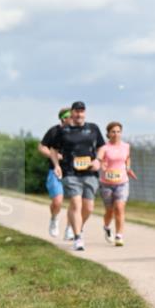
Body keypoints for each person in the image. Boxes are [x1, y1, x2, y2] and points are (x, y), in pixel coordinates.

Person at [43, 101, 105, 251]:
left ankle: (77, 227)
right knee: (76, 203)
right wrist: (57, 165)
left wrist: (98, 160)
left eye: (82, 111)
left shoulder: (93, 129)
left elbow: (102, 146)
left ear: (85, 113)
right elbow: (52, 150)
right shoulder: (63, 131)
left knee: (88, 207)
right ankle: (78, 238)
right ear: (72, 113)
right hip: (70, 172)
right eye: (76, 111)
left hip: (90, 172)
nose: (79, 114)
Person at [97, 121, 135, 247]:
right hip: (106, 183)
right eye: (113, 131)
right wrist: (102, 165)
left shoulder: (126, 146)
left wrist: (128, 168)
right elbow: (100, 160)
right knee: (109, 211)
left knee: (119, 207)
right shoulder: (104, 148)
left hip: (122, 182)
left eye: (118, 131)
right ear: (108, 133)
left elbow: (127, 158)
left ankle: (119, 235)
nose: (116, 134)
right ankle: (107, 227)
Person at [38, 108, 72, 239]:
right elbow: (41, 147)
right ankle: (54, 219)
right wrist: (56, 155)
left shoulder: (77, 132)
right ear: (64, 119)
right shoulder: (54, 131)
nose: (74, 118)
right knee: (57, 202)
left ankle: (70, 228)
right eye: (71, 116)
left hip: (72, 171)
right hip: (55, 170)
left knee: (75, 202)